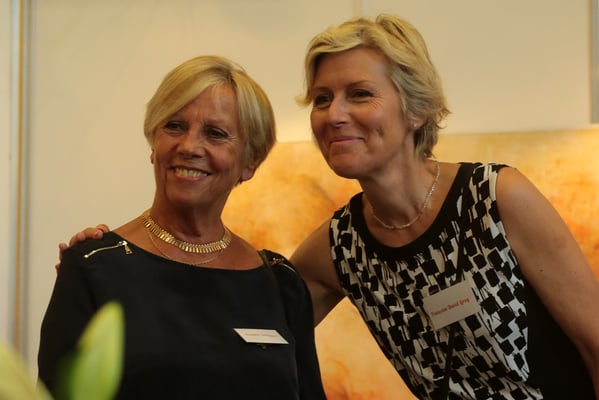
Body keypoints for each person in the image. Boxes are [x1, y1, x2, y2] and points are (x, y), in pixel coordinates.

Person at [58, 15, 599, 400]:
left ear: (416, 110)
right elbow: (234, 330)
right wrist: (112, 264)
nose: (334, 114)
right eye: (322, 98)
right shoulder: (340, 247)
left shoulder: (495, 197)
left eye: (359, 94)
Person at [39, 55, 327, 400]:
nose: (189, 147)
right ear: (153, 144)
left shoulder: (280, 283)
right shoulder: (94, 267)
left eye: (215, 133)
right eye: (174, 126)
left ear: (250, 162)